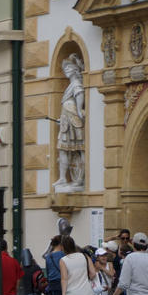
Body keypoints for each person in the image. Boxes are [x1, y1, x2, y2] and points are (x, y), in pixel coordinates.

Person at [52, 54, 86, 192]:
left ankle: (79, 179)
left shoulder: (77, 85)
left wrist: (79, 112)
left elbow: (79, 104)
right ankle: (62, 178)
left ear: (75, 69)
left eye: (69, 67)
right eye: (65, 67)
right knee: (63, 149)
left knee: (80, 149)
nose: (66, 69)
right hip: (67, 121)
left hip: (74, 121)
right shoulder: (71, 85)